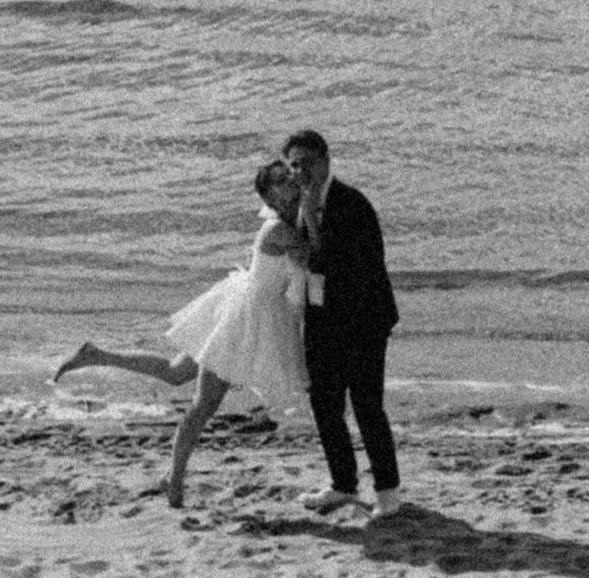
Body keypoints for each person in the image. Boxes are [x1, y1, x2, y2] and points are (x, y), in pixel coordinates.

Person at [53, 158, 314, 508]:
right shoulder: (278, 230)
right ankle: (173, 480)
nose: (291, 184)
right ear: (269, 197)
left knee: (176, 374)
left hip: (248, 310)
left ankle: (96, 355)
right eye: (282, 182)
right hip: (244, 318)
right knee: (202, 405)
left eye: (291, 179)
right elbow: (313, 258)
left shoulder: (285, 220)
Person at [283, 126, 404, 518]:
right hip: (323, 317)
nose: (300, 172)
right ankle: (343, 484)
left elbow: (340, 262)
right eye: (294, 165)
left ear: (326, 162)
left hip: (364, 319)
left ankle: (388, 493)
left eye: (307, 164)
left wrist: (311, 228)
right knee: (324, 404)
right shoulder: (301, 205)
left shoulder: (350, 203)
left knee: (367, 405)